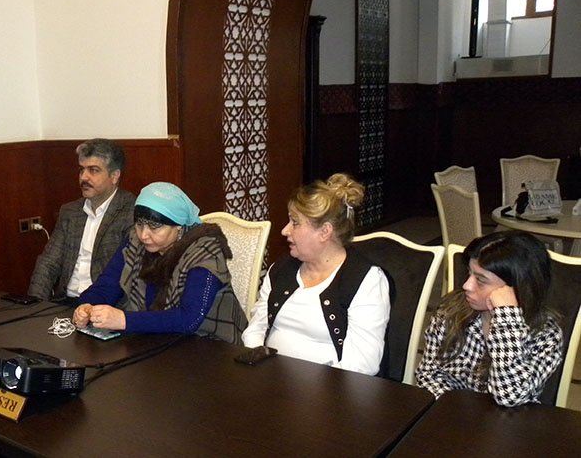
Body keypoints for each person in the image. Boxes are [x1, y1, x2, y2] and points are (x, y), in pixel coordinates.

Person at [242, 173, 391, 375]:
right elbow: (257, 327)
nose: (285, 230)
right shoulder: (281, 270)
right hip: (271, 380)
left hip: (333, 390)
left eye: (295, 223)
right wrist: (259, 367)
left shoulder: (366, 280)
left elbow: (362, 365)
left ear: (324, 232)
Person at [72, 182, 244, 342]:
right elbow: (107, 286)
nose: (144, 235)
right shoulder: (135, 242)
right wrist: (88, 306)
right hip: (154, 340)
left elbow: (189, 319)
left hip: (208, 343)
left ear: (178, 226)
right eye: (139, 225)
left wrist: (124, 320)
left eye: (154, 227)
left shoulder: (204, 252)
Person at [415, 230, 563, 406]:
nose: (466, 285)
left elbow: (509, 397)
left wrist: (506, 319)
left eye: (481, 280)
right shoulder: (450, 312)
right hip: (453, 412)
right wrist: (455, 409)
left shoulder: (546, 335)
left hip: (510, 418)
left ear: (516, 288)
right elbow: (428, 374)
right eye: (469, 273)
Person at [27, 139, 136, 301]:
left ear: (114, 176)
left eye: (93, 170)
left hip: (105, 305)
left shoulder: (130, 212)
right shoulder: (70, 212)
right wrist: (35, 303)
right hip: (65, 301)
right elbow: (48, 263)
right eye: (81, 170)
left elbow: (125, 274)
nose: (84, 177)